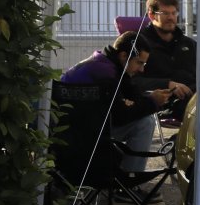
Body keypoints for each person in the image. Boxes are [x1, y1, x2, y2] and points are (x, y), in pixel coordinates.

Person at [61, 32, 173, 181]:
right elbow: (120, 116)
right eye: (139, 62)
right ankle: (130, 181)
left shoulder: (103, 63)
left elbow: (129, 95)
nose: (142, 69)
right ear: (123, 56)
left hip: (70, 134)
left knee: (142, 119)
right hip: (85, 138)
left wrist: (147, 99)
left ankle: (126, 179)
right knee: (145, 123)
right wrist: (152, 102)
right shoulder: (105, 73)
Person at [132, 0, 196, 121]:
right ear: (151, 15)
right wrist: (168, 84)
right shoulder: (139, 44)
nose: (171, 17)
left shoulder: (189, 44)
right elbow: (131, 81)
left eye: (174, 13)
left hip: (195, 97)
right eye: (165, 13)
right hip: (164, 103)